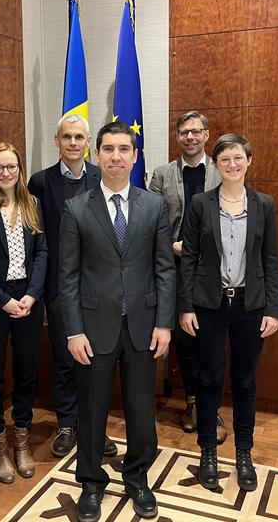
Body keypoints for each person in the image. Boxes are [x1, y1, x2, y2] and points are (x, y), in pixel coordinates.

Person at [59, 122, 176, 522]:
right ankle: (91, 483)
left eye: (124, 149)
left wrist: (165, 322)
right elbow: (68, 276)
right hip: (93, 328)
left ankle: (138, 477)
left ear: (135, 155)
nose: (116, 156)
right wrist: (74, 330)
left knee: (142, 409)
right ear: (96, 154)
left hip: (144, 325)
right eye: (108, 149)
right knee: (91, 411)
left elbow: (165, 268)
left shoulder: (154, 206)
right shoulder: (76, 208)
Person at [179, 133, 278, 493]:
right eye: (225, 160)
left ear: (248, 161)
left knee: (244, 381)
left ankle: (243, 453)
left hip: (250, 306)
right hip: (209, 305)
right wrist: (186, 306)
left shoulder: (264, 204)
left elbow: (271, 259)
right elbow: (188, 258)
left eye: (238, 158)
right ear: (216, 165)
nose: (232, 165)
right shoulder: (200, 204)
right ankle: (207, 451)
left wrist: (274, 307)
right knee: (208, 379)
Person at [28, 114, 117, 459]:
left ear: (89, 141)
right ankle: (66, 424)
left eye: (80, 137)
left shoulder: (102, 176)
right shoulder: (39, 182)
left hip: (98, 284)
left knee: (97, 359)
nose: (74, 143)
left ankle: (94, 427)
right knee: (65, 358)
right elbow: (37, 238)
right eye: (68, 137)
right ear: (57, 140)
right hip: (59, 285)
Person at [148, 110, 223, 438]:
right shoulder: (162, 175)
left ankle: (213, 407)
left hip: (214, 270)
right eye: (183, 132)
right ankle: (192, 401)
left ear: (207, 134)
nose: (190, 137)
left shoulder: (223, 170)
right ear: (177, 137)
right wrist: (173, 246)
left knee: (213, 339)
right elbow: (148, 220)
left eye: (196, 131)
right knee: (187, 338)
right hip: (175, 266)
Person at [0, 142, 48, 484]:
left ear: (20, 170)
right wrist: (2, 299)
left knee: (26, 371)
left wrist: (33, 295)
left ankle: (22, 441)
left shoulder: (32, 204)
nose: (5, 173)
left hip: (28, 301)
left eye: (11, 167)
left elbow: (42, 253)